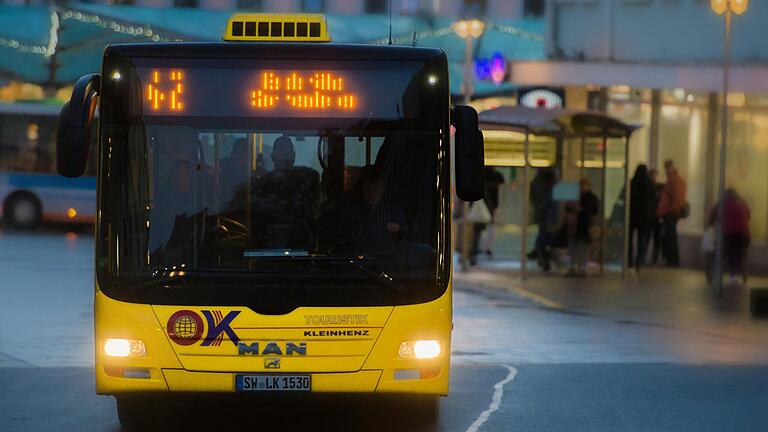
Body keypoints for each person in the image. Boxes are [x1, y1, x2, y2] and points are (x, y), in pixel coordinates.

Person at [252, 136, 321, 250]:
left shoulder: (308, 182)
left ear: (293, 157)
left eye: (287, 156)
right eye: (281, 155)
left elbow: (316, 215)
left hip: (304, 252)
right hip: (264, 253)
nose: (284, 161)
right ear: (273, 157)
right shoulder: (261, 185)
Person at [337, 166, 407, 256]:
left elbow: (407, 244)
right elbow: (340, 240)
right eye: (367, 187)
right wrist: (352, 239)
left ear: (384, 189)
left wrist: (398, 232)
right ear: (361, 188)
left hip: (388, 263)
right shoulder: (350, 212)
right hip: (356, 263)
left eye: (377, 187)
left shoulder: (395, 213)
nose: (372, 193)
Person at [708, 188, 750, 285]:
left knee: (727, 252)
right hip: (744, 234)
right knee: (739, 252)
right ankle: (741, 270)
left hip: (729, 233)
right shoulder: (742, 202)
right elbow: (748, 216)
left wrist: (710, 224)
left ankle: (732, 275)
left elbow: (712, 216)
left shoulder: (721, 203)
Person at [470, 166, 505, 263]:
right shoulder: (496, 175)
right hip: (489, 205)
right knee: (487, 228)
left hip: (480, 205)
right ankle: (483, 248)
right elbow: (502, 181)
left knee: (478, 230)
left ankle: (477, 250)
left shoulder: (479, 175)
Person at [656, 160, 687, 267]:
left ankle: (672, 260)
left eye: (666, 167)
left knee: (670, 237)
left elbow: (677, 199)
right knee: (669, 236)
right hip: (669, 212)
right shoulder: (673, 179)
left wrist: (671, 211)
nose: (665, 170)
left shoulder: (675, 180)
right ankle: (670, 259)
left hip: (670, 213)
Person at [566, 178, 599, 277]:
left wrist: (582, 210)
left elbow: (594, 210)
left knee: (583, 247)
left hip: (585, 225)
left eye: (584, 185)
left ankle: (582, 268)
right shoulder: (576, 197)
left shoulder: (591, 198)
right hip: (576, 226)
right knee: (574, 247)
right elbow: (567, 207)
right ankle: (573, 267)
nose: (582, 188)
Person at [628, 164, 655, 271]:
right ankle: (639, 262)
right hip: (644, 217)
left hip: (632, 215)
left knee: (629, 240)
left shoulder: (632, 183)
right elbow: (653, 200)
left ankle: (629, 260)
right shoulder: (650, 185)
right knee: (642, 240)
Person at [530, 168, 557, 270]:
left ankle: (542, 256)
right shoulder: (552, 190)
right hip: (549, 219)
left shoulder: (536, 185)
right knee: (546, 239)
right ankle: (544, 257)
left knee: (543, 238)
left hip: (543, 218)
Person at [648, 168, 664, 265]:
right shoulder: (658, 187)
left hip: (653, 216)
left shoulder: (658, 187)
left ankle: (653, 258)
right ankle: (654, 259)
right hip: (655, 217)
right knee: (655, 239)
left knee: (651, 238)